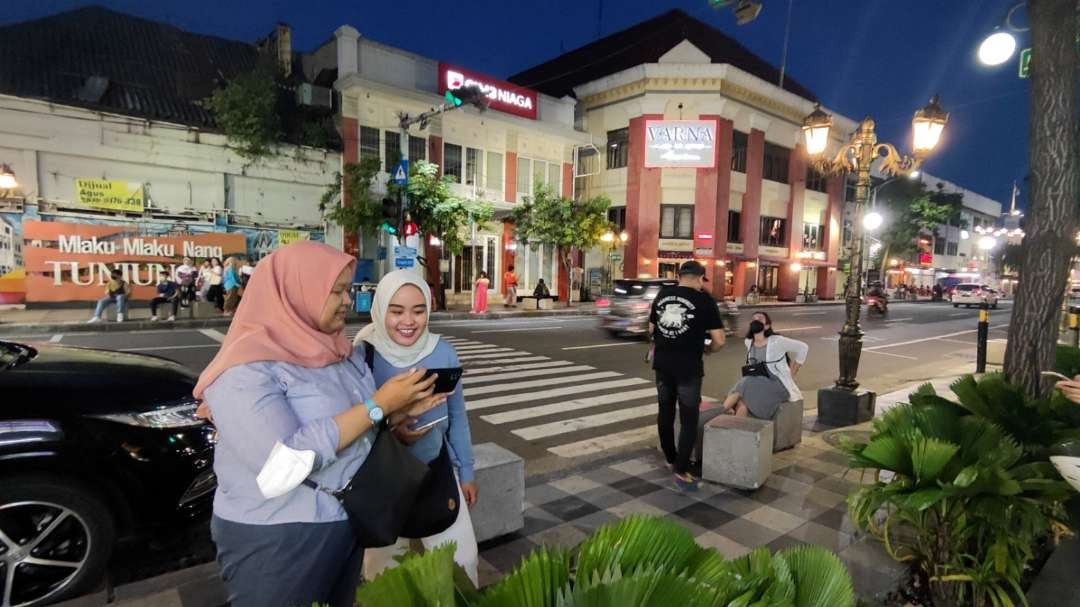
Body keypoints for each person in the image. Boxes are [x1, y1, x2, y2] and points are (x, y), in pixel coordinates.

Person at [194, 241, 443, 607]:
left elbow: (354, 425)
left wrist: (393, 421)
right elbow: (279, 467)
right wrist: (378, 406)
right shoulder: (244, 371)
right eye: (338, 291)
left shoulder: (339, 352)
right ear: (296, 291)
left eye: (349, 289)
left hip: (348, 518)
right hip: (278, 535)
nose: (347, 300)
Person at [356, 271, 479, 586]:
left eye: (419, 310)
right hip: (382, 478)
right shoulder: (362, 354)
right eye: (396, 311)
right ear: (381, 308)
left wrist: (465, 471)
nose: (408, 321)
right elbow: (355, 421)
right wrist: (394, 430)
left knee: (462, 563)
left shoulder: (443, 351)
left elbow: (458, 416)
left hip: (435, 470)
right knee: (383, 573)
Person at [648, 260, 726, 491]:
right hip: (688, 368)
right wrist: (707, 350)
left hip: (662, 365)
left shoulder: (663, 295)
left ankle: (670, 457)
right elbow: (719, 340)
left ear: (680, 275)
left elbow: (652, 329)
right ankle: (681, 469)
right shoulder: (704, 300)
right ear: (701, 278)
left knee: (665, 411)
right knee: (689, 417)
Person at [721, 312, 809, 419]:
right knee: (742, 403)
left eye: (760, 318)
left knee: (746, 381)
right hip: (758, 382)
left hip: (777, 384)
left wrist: (793, 372)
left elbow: (803, 347)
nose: (756, 320)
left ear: (767, 326)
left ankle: (722, 410)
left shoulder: (777, 341)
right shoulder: (748, 342)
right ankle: (737, 432)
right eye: (754, 318)